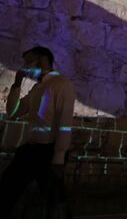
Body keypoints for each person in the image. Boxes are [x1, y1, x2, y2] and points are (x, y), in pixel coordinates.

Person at [0, 46, 76, 217]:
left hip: (48, 151)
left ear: (42, 61)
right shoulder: (37, 88)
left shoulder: (62, 84)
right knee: (7, 188)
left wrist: (59, 158)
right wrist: (17, 85)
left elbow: (64, 122)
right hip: (31, 149)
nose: (25, 66)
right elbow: (13, 112)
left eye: (29, 61)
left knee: (54, 201)